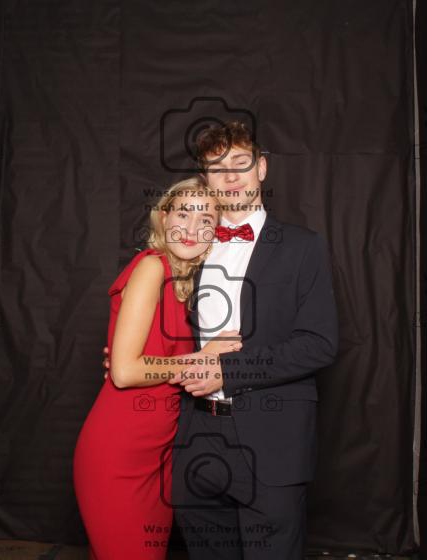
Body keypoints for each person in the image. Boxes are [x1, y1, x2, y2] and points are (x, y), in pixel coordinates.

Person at [166, 121, 339, 559]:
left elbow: (319, 343)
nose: (231, 176)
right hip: (196, 434)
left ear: (261, 168)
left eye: (240, 163)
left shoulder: (303, 247)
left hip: (273, 437)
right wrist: (131, 358)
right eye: (217, 168)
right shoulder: (191, 246)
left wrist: (226, 371)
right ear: (205, 179)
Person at [73, 177, 242, 559]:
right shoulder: (152, 266)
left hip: (160, 455)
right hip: (119, 452)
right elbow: (124, 373)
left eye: (206, 220)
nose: (192, 228)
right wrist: (203, 357)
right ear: (163, 218)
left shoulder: (190, 283)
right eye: (183, 214)